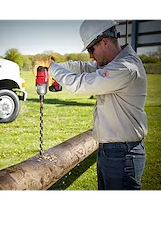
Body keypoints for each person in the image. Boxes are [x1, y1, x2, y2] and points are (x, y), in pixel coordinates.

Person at [48, 17, 148, 193]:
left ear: (104, 42)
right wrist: (55, 66)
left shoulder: (125, 67)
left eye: (91, 49)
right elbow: (83, 67)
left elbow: (82, 83)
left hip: (122, 154)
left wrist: (53, 69)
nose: (90, 55)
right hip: (111, 151)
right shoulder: (113, 64)